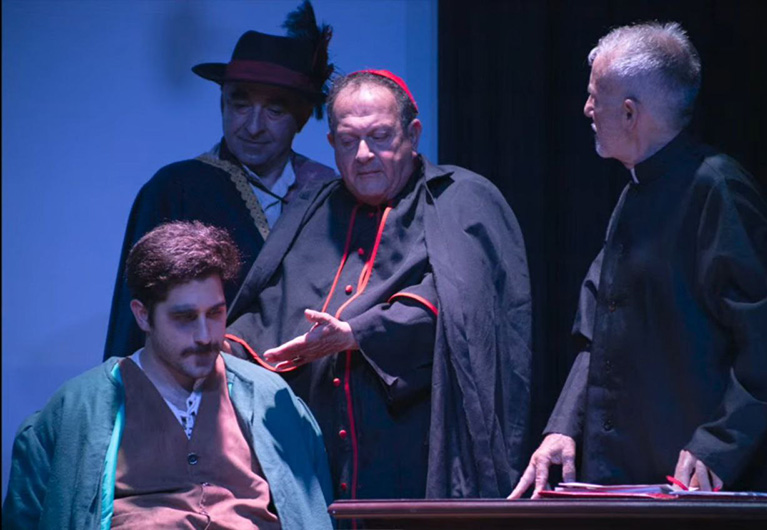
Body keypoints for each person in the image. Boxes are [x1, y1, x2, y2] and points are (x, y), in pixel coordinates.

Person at [509, 21, 767, 499]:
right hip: (623, 481)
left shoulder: (717, 189)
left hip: (697, 489)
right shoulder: (633, 195)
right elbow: (596, 331)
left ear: (629, 112)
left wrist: (720, 444)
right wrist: (563, 426)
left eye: (594, 96)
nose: (586, 109)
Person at [224, 70, 534, 501]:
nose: (364, 154)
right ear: (332, 144)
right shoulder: (313, 208)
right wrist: (224, 348)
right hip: (322, 455)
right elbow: (271, 305)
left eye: (380, 136)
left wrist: (358, 334)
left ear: (413, 134)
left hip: (417, 446)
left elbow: (464, 308)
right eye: (348, 141)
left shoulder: (462, 197)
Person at [3, 221, 333, 529]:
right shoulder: (78, 409)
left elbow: (311, 505)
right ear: (143, 316)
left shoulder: (267, 399)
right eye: (185, 318)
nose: (205, 335)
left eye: (215, 313)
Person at [104, 0, 338, 360]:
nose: (253, 126)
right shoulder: (176, 189)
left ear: (302, 118)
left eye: (275, 110)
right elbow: (135, 320)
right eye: (240, 105)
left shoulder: (325, 191)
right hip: (206, 380)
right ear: (222, 105)